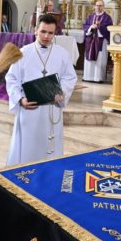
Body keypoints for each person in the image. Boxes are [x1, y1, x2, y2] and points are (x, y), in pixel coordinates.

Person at [5, 13, 77, 165]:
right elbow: (11, 78)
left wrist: (61, 92)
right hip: (29, 109)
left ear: (55, 33)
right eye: (43, 31)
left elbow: (70, 77)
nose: (46, 36)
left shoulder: (62, 54)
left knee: (49, 152)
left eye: (50, 33)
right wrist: (20, 99)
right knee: (27, 150)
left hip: (52, 109)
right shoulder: (23, 52)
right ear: (36, 30)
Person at [83, 0, 113, 83]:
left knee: (100, 59)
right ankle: (88, 76)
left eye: (100, 5)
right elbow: (85, 25)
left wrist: (99, 27)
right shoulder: (90, 16)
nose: (98, 7)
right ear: (94, 6)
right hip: (90, 40)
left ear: (103, 7)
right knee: (89, 58)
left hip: (101, 41)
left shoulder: (107, 17)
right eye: (97, 5)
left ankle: (98, 77)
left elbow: (109, 28)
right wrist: (91, 27)